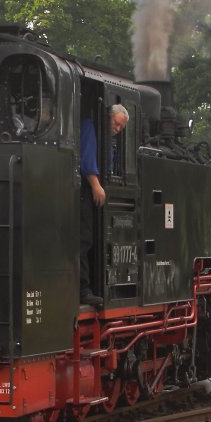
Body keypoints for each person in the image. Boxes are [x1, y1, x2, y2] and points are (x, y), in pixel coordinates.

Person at [79, 103, 129, 307]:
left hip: (89, 191)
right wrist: (96, 185)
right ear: (108, 117)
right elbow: (87, 160)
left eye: (120, 128)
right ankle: (82, 290)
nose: (117, 129)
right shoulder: (91, 127)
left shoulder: (107, 139)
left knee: (88, 239)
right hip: (83, 189)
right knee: (83, 240)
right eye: (116, 124)